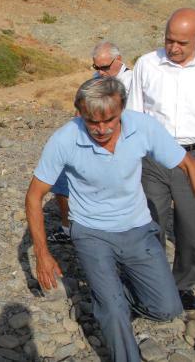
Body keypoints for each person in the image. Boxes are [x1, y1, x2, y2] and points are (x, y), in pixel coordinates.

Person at [26, 76, 195, 362]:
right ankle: (113, 315)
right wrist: (41, 254)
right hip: (91, 232)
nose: (102, 130)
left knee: (168, 308)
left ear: (122, 111)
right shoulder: (64, 139)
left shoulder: (142, 126)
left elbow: (189, 164)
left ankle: (108, 298)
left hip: (138, 227)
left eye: (111, 121)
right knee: (115, 310)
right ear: (80, 113)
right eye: (93, 122)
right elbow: (34, 196)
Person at [127, 8, 195, 310]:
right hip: (154, 157)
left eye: (182, 42)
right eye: (169, 40)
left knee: (192, 224)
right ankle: (154, 282)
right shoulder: (147, 63)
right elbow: (133, 113)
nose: (174, 48)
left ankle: (184, 284)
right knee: (151, 219)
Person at [48, 41, 133, 243]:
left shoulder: (132, 81)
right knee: (61, 177)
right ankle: (68, 228)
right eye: (97, 67)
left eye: (105, 67)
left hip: (118, 144)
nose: (101, 72)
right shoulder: (96, 81)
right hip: (89, 139)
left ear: (118, 59)